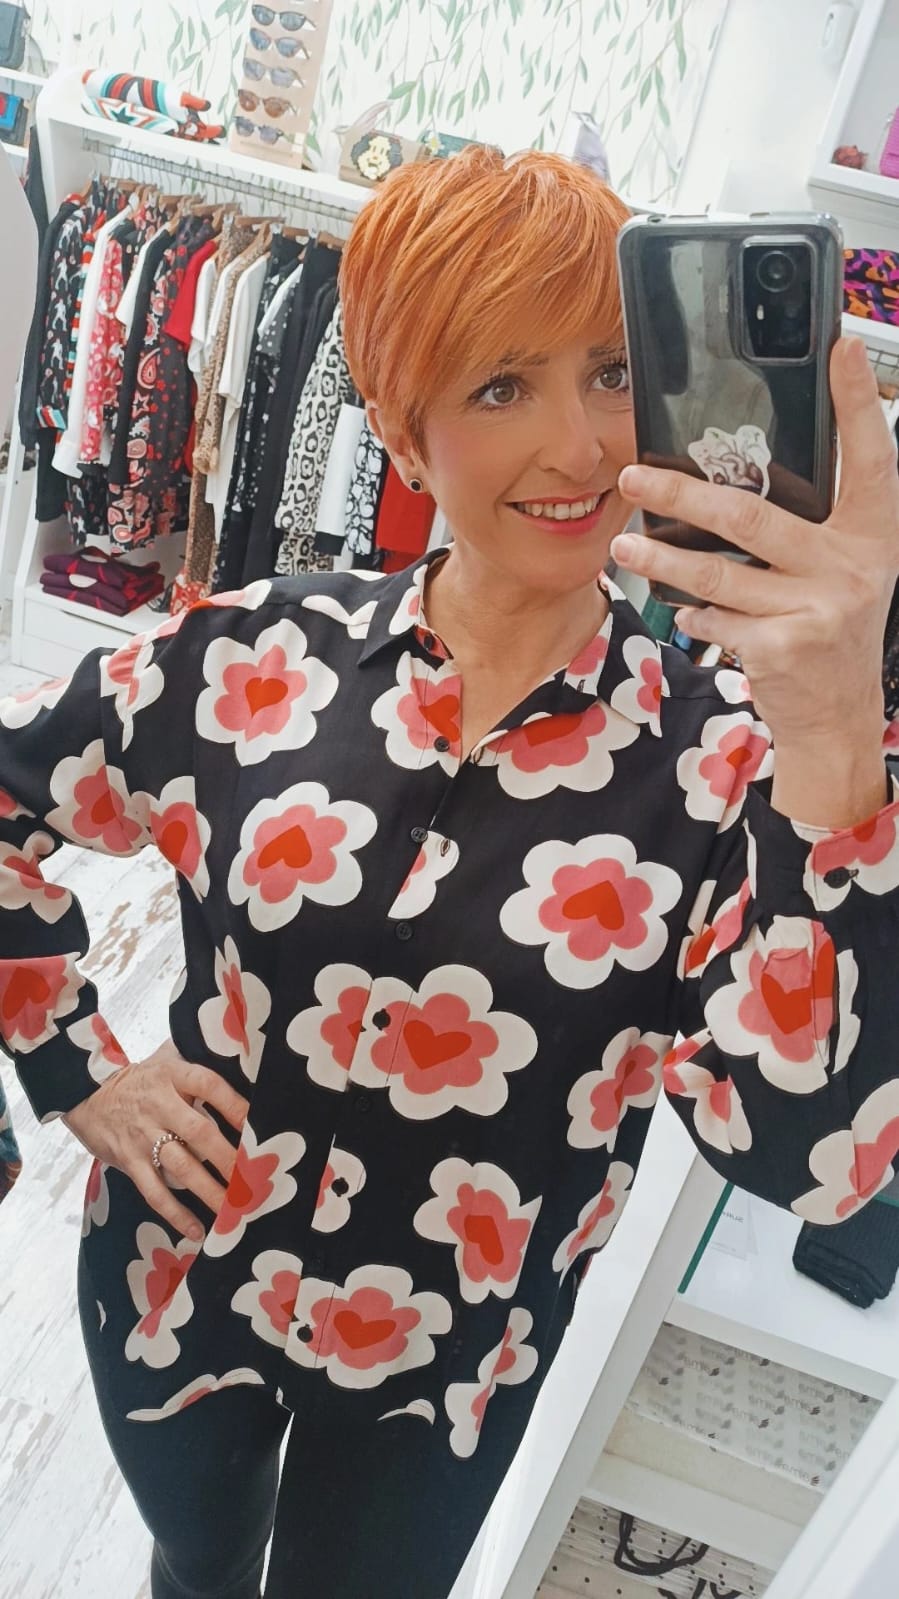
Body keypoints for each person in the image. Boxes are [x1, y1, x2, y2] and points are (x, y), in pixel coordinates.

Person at [0, 145, 897, 1599]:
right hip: (181, 1280)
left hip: (450, 1366)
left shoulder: (733, 760)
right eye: (499, 388)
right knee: (197, 1568)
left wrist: (840, 723)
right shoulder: (249, 657)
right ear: (400, 437)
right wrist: (75, 1068)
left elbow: (815, 1157)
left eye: (614, 374)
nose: (582, 447)